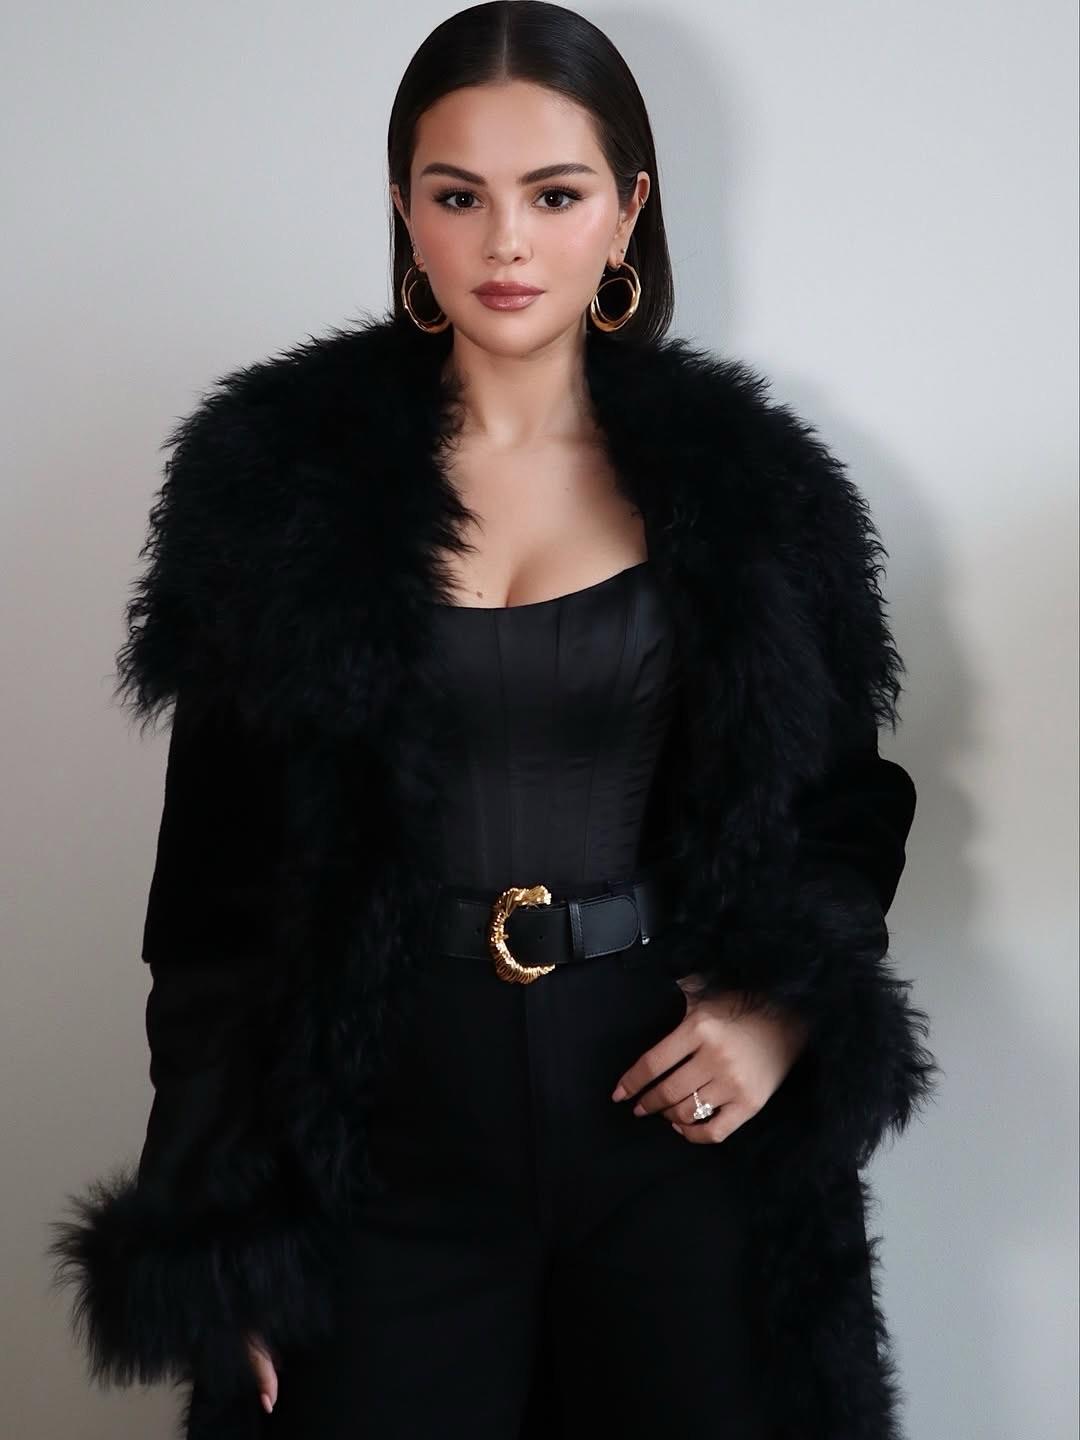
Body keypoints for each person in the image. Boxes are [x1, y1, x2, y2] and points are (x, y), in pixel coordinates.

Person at [48, 4, 938, 1437]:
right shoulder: (276, 486)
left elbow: (844, 805)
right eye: (459, 196)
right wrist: (218, 1224)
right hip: (378, 1140)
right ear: (406, 209)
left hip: (670, 1133)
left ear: (628, 211)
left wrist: (781, 1010)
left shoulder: (754, 493)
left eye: (555, 195)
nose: (506, 243)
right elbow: (213, 900)